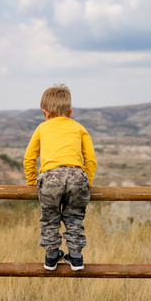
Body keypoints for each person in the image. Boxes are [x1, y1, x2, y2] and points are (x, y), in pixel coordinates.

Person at [23, 84, 97, 271]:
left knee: (49, 219)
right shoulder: (79, 128)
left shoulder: (42, 128)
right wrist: (87, 183)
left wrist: (32, 182)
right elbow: (91, 159)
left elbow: (29, 158)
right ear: (70, 112)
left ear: (45, 112)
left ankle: (51, 257)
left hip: (50, 178)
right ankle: (76, 257)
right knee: (74, 217)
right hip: (76, 176)